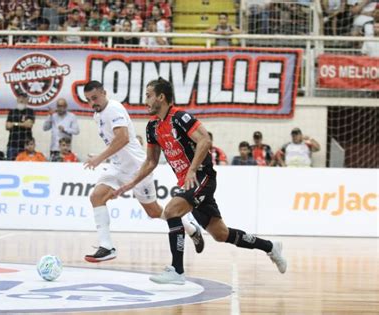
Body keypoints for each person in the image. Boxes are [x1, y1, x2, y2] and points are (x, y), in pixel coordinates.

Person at [115, 78, 286, 284]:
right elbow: (151, 161)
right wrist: (132, 183)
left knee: (171, 211)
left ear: (161, 97)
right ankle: (270, 247)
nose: (146, 100)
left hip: (201, 177)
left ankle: (177, 271)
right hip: (189, 183)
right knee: (221, 234)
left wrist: (192, 170)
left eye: (149, 95)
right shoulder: (152, 127)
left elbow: (205, 140)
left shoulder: (180, 117)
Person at [82, 80, 204, 263]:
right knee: (96, 197)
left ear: (104, 93)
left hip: (137, 168)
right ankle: (106, 246)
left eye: (95, 98)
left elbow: (122, 138)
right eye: (88, 100)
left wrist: (99, 158)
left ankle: (191, 228)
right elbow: (114, 143)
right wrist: (105, 157)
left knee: (154, 212)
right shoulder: (97, 115)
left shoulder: (114, 109)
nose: (93, 103)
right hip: (117, 167)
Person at [5, 93, 35, 160]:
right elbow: (7, 126)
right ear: (17, 99)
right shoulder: (12, 112)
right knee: (10, 166)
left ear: (27, 100)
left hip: (26, 146)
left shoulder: (30, 111)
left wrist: (14, 124)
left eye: (23, 98)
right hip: (12, 144)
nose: (21, 100)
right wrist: (22, 124)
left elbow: (29, 125)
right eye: (19, 98)